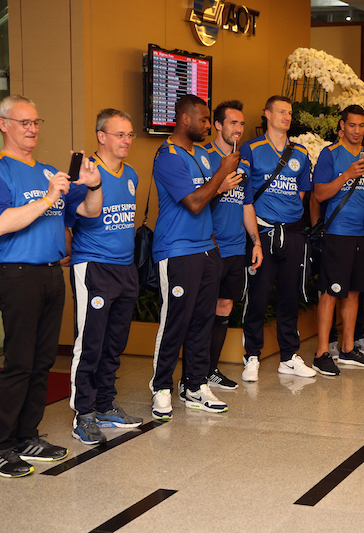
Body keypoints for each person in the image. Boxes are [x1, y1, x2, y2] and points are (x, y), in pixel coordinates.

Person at [0, 95, 103, 477]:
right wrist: (48, 199)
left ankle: (27, 436)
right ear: (3, 124)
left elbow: (89, 212)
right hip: (16, 273)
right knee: (19, 362)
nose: (32, 129)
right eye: (24, 122)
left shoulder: (49, 171)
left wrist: (93, 185)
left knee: (43, 362)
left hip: (50, 273)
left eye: (36, 122)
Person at [149, 94, 241, 419]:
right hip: (177, 250)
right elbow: (193, 203)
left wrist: (221, 184)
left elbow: (209, 201)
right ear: (185, 119)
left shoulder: (202, 155)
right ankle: (161, 388)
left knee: (202, 322)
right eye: (202, 120)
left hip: (206, 249)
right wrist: (222, 174)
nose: (206, 125)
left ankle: (195, 385)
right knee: (176, 320)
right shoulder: (168, 156)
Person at [66, 108, 143, 445]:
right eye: (119, 134)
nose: (126, 140)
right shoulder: (84, 172)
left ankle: (105, 405)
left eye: (129, 135)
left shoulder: (133, 175)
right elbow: (67, 219)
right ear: (101, 136)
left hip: (125, 269)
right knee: (91, 344)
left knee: (114, 343)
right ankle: (83, 414)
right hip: (93, 267)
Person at [240, 95, 316, 381]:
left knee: (289, 296)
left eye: (289, 113)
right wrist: (258, 231)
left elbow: (301, 192)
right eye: (281, 112)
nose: (286, 116)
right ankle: (252, 356)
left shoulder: (300, 152)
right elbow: (245, 195)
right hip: (263, 232)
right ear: (267, 115)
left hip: (293, 232)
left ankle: (288, 356)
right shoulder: (252, 149)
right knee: (258, 297)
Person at [312, 105, 364, 375]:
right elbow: (319, 194)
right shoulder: (329, 154)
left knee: (354, 291)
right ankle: (321, 353)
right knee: (331, 292)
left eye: (361, 126)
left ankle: (347, 348)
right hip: (338, 233)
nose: (356, 131)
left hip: (362, 233)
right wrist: (346, 175)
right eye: (352, 125)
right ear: (341, 126)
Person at [202, 100, 263, 391]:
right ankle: (196, 373)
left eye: (241, 124)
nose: (238, 129)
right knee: (203, 310)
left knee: (225, 306)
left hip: (237, 248)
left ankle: (211, 369)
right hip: (209, 249)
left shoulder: (244, 162)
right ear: (218, 125)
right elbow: (195, 202)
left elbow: (246, 205)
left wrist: (256, 242)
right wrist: (219, 187)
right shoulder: (204, 157)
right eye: (232, 123)